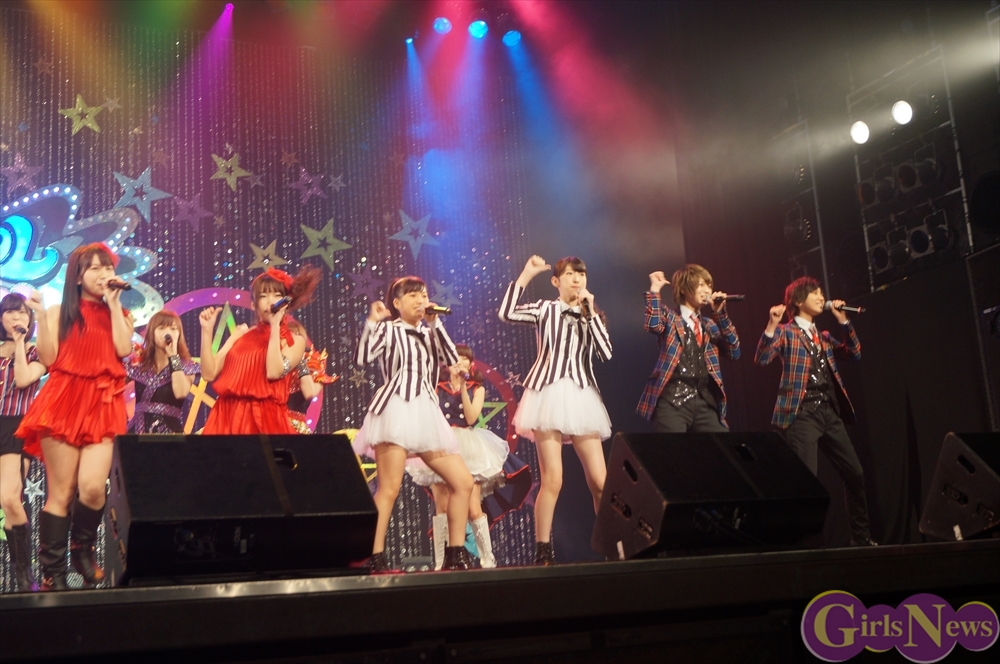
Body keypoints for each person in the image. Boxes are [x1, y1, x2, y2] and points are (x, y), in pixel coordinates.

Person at [16, 243, 134, 590]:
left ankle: (82, 550)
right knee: (62, 492)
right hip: (64, 400)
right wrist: (40, 317)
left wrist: (114, 304)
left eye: (107, 267)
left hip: (103, 402)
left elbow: (124, 349)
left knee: (94, 488)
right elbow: (49, 359)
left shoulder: (120, 313)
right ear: (78, 277)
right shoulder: (59, 311)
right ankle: (52, 571)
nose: (103, 274)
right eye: (94, 268)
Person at [353, 276, 475, 572]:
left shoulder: (430, 331)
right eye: (412, 296)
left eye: (423, 295)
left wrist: (435, 323)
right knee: (389, 488)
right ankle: (375, 556)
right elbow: (362, 358)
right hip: (395, 410)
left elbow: (451, 359)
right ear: (397, 303)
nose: (420, 300)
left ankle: (455, 553)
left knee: (463, 482)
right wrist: (372, 322)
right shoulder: (389, 330)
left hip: (426, 414)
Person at [498, 255, 612, 565]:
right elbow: (506, 312)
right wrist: (526, 274)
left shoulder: (592, 314)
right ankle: (543, 550)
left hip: (582, 397)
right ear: (556, 281)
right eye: (571, 274)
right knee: (553, 479)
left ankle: (610, 545)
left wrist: (590, 312)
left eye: (581, 274)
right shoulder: (545, 309)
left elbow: (605, 353)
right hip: (547, 395)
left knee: (601, 482)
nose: (577, 279)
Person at [754, 276, 876, 546]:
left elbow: (854, 353)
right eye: (815, 293)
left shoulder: (823, 337)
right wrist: (772, 324)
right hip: (802, 412)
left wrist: (844, 321)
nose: (822, 297)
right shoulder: (786, 332)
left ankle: (861, 538)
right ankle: (803, 544)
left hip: (828, 411)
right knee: (806, 482)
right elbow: (762, 359)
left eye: (822, 293)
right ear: (798, 301)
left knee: (855, 473)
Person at [408, 344, 507, 569]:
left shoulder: (477, 389)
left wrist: (462, 387)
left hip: (469, 447)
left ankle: (487, 558)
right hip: (441, 445)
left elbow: (471, 418)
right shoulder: (436, 388)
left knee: (473, 507)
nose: (459, 363)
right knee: (441, 507)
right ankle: (441, 562)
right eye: (456, 359)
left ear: (470, 365)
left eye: (464, 359)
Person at [199, 267, 319, 435]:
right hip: (226, 416)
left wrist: (275, 326)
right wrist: (206, 331)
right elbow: (209, 373)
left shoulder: (295, 341)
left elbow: (274, 371)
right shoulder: (241, 335)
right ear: (253, 305)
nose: (270, 302)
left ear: (286, 303)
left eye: (276, 295)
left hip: (264, 419)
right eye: (263, 296)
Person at [637, 266, 740, 432]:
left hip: (704, 400)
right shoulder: (670, 317)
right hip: (673, 401)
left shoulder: (709, 325)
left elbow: (734, 352)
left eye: (709, 286)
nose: (707, 290)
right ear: (683, 289)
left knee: (722, 444)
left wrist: (721, 314)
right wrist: (654, 289)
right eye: (701, 285)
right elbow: (652, 325)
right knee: (674, 448)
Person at [0, 293, 47, 591]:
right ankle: (21, 575)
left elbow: (23, 380)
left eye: (22, 313)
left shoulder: (37, 352)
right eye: (10, 312)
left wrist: (19, 343)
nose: (16, 317)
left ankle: (23, 573)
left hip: (17, 426)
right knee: (7, 502)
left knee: (9, 498)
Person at [125, 310, 197, 434]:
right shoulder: (139, 364)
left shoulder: (187, 366)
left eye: (173, 329)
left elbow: (181, 392)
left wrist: (173, 357)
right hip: (136, 432)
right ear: (151, 333)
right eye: (162, 328)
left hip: (169, 435)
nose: (168, 333)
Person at [284, 317, 336, 434]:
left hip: (295, 428)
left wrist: (300, 361)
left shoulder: (314, 367)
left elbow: (309, 393)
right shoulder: (277, 366)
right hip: (272, 423)